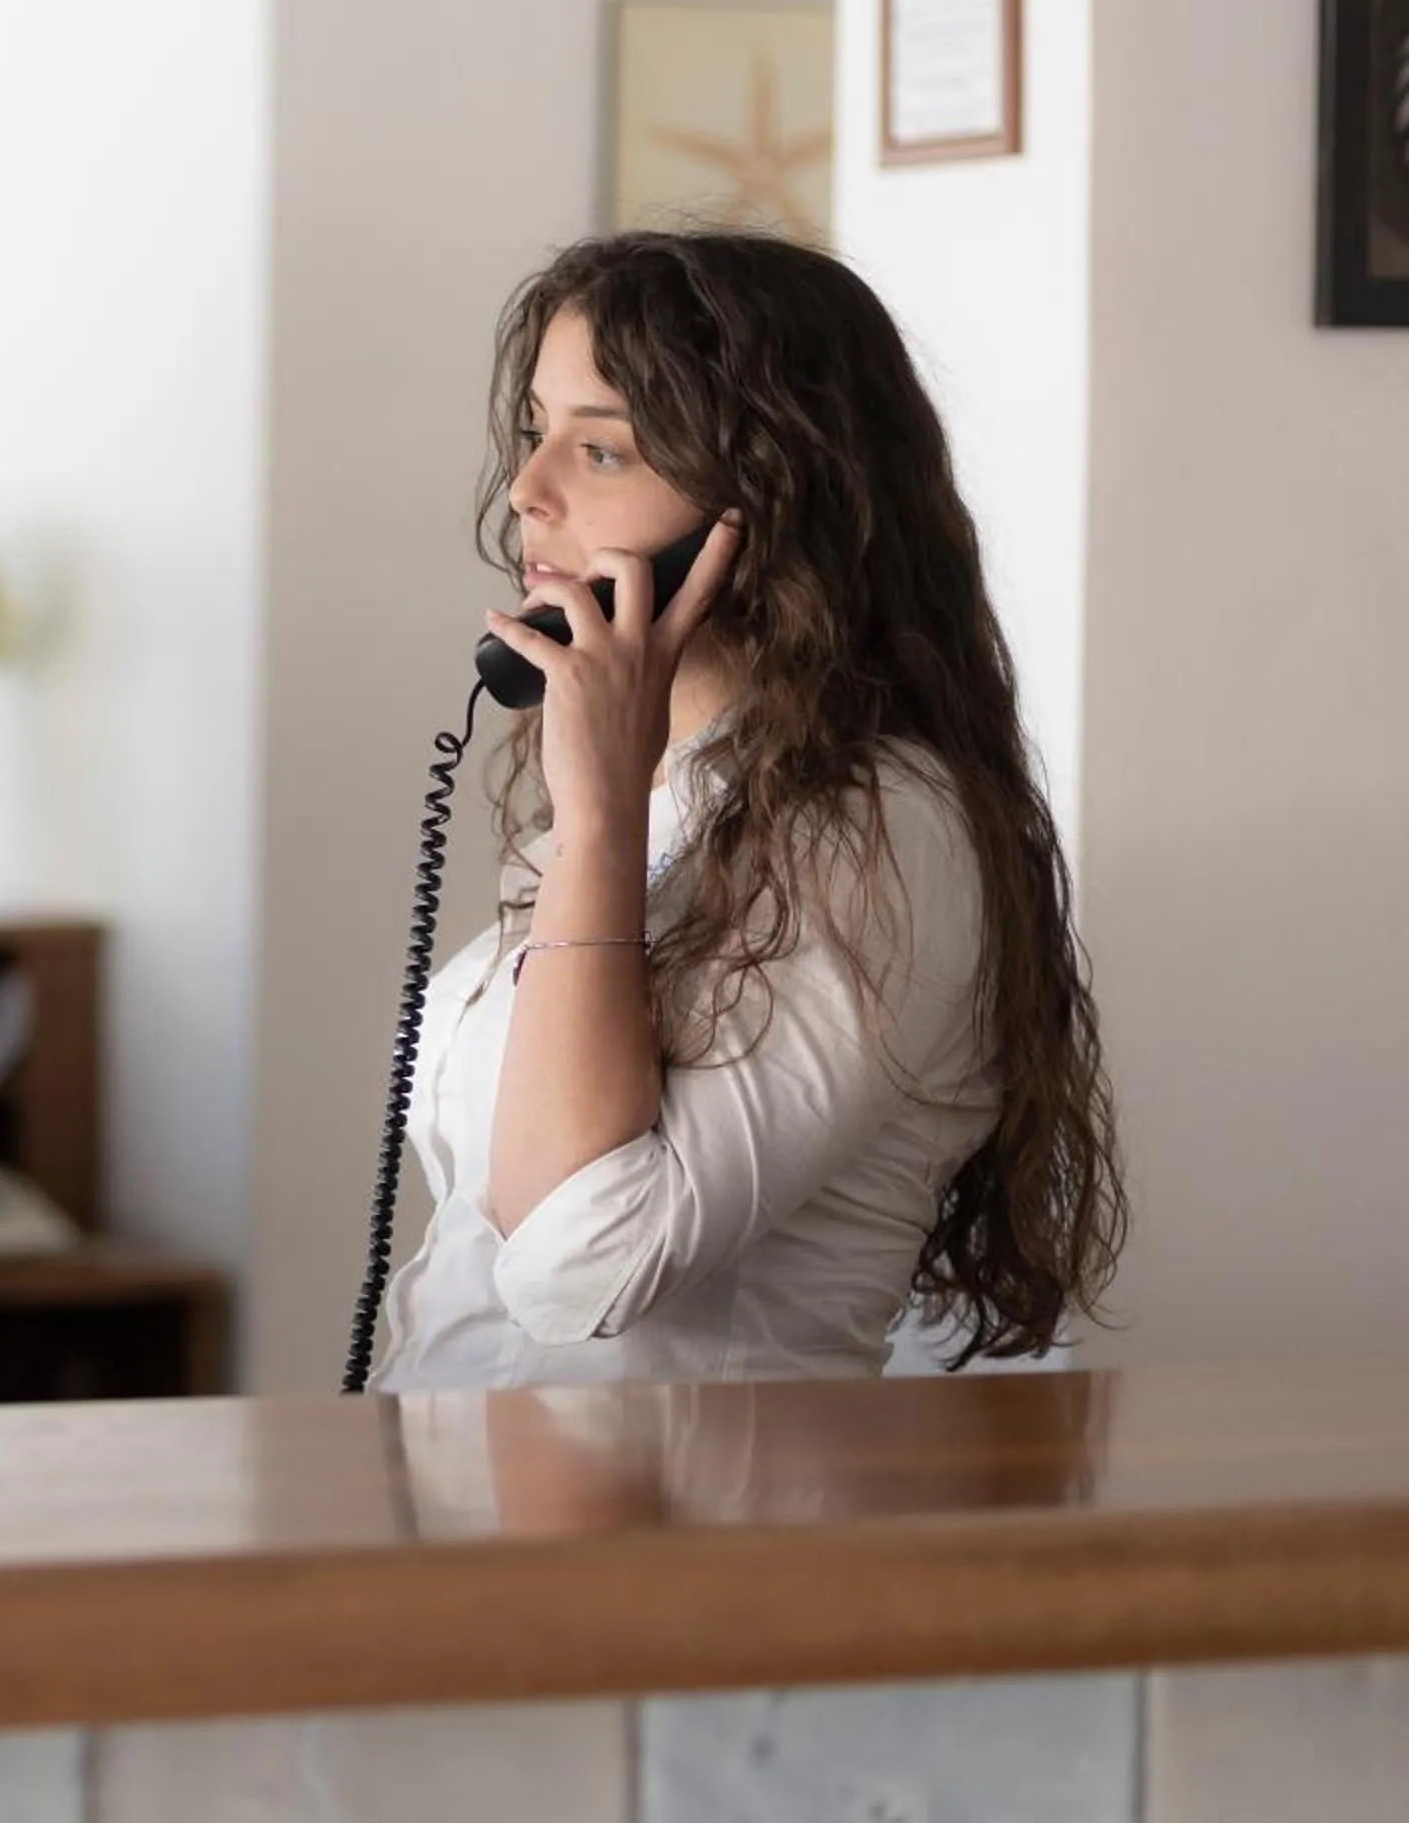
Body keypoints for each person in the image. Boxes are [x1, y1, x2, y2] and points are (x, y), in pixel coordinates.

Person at [372, 229, 1123, 1392]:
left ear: (768, 500)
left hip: (679, 1539)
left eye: (602, 449)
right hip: (472, 1510)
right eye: (536, 432)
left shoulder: (882, 831)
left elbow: (574, 1270)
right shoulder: (664, 802)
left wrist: (598, 821)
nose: (529, 489)